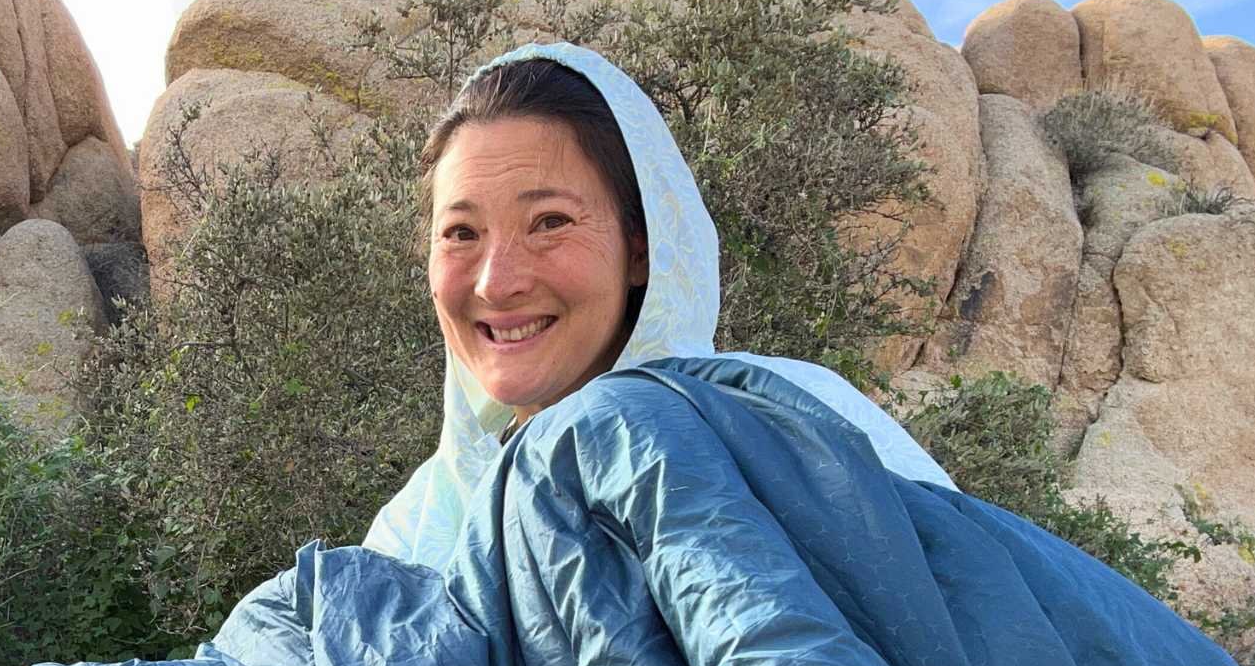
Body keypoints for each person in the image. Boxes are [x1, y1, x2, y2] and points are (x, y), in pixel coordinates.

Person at [363, 42, 955, 571]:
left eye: (550, 222)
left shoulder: (795, 427)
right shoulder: (415, 528)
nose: (496, 282)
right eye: (461, 233)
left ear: (642, 250)